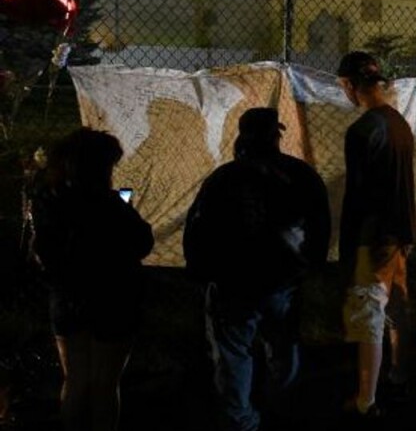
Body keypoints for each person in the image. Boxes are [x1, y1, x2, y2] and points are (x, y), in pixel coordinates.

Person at [183, 107, 331, 431]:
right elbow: (319, 223)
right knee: (284, 344)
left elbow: (199, 226)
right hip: (284, 278)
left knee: (234, 350)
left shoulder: (225, 178)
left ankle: (241, 417)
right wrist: (312, 263)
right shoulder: (300, 175)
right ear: (276, 136)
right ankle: (282, 405)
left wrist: (199, 268)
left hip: (234, 280)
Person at [30, 128, 154, 431]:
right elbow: (142, 243)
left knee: (75, 380)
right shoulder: (109, 205)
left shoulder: (49, 199)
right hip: (115, 299)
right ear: (100, 167)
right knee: (105, 383)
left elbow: (44, 251)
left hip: (68, 299)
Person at [337, 51, 416, 418]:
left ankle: (366, 400)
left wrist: (349, 243)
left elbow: (357, 193)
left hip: (374, 233)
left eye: (344, 87)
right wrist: (409, 232)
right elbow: (406, 183)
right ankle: (399, 374)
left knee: (368, 310)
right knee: (397, 305)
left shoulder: (363, 130)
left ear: (352, 85)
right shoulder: (399, 123)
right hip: (399, 231)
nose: (345, 94)